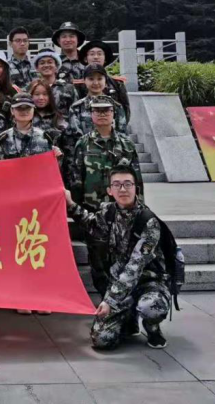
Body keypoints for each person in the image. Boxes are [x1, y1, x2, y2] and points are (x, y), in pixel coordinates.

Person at [65, 166, 171, 350]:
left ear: (136, 188)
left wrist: (110, 300)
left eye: (128, 184)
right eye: (117, 185)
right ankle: (129, 319)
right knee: (101, 339)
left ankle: (152, 327)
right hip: (120, 284)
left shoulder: (148, 221)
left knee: (150, 307)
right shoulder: (108, 212)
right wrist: (70, 203)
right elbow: (90, 223)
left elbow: (134, 267)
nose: (123, 189)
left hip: (148, 283)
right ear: (109, 190)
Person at [67, 96, 143, 297]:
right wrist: (77, 210)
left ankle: (121, 300)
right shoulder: (83, 143)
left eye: (106, 111)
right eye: (97, 111)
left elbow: (136, 180)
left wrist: (139, 210)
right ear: (91, 115)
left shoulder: (126, 144)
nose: (102, 115)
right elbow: (76, 179)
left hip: (122, 211)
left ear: (113, 114)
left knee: (123, 256)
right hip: (94, 212)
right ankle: (106, 301)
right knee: (98, 259)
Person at [0, 92, 62, 315]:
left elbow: (54, 171)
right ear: (12, 112)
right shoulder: (2, 139)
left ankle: (42, 297)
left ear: (33, 111)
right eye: (19, 108)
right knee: (17, 250)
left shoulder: (46, 138)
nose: (23, 112)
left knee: (39, 249)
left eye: (27, 108)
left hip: (39, 203)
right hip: (13, 203)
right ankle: (21, 296)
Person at [64, 65, 129, 154]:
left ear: (105, 81)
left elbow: (122, 135)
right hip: (85, 155)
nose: (95, 83)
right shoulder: (76, 108)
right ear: (84, 81)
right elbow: (75, 136)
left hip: (111, 155)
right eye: (91, 79)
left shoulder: (116, 107)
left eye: (99, 79)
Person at [79, 39, 131, 119]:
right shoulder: (78, 84)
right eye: (92, 54)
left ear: (105, 58)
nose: (96, 57)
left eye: (99, 54)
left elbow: (125, 109)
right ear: (86, 59)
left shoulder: (116, 83)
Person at [32, 49, 75, 118]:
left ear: (56, 66)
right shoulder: (31, 88)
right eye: (42, 63)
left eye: (50, 62)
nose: (46, 65)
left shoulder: (68, 88)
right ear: (37, 68)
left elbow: (75, 112)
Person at [28, 78, 64, 142]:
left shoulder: (57, 117)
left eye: (45, 94)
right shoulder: (26, 117)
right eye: (37, 94)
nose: (41, 98)